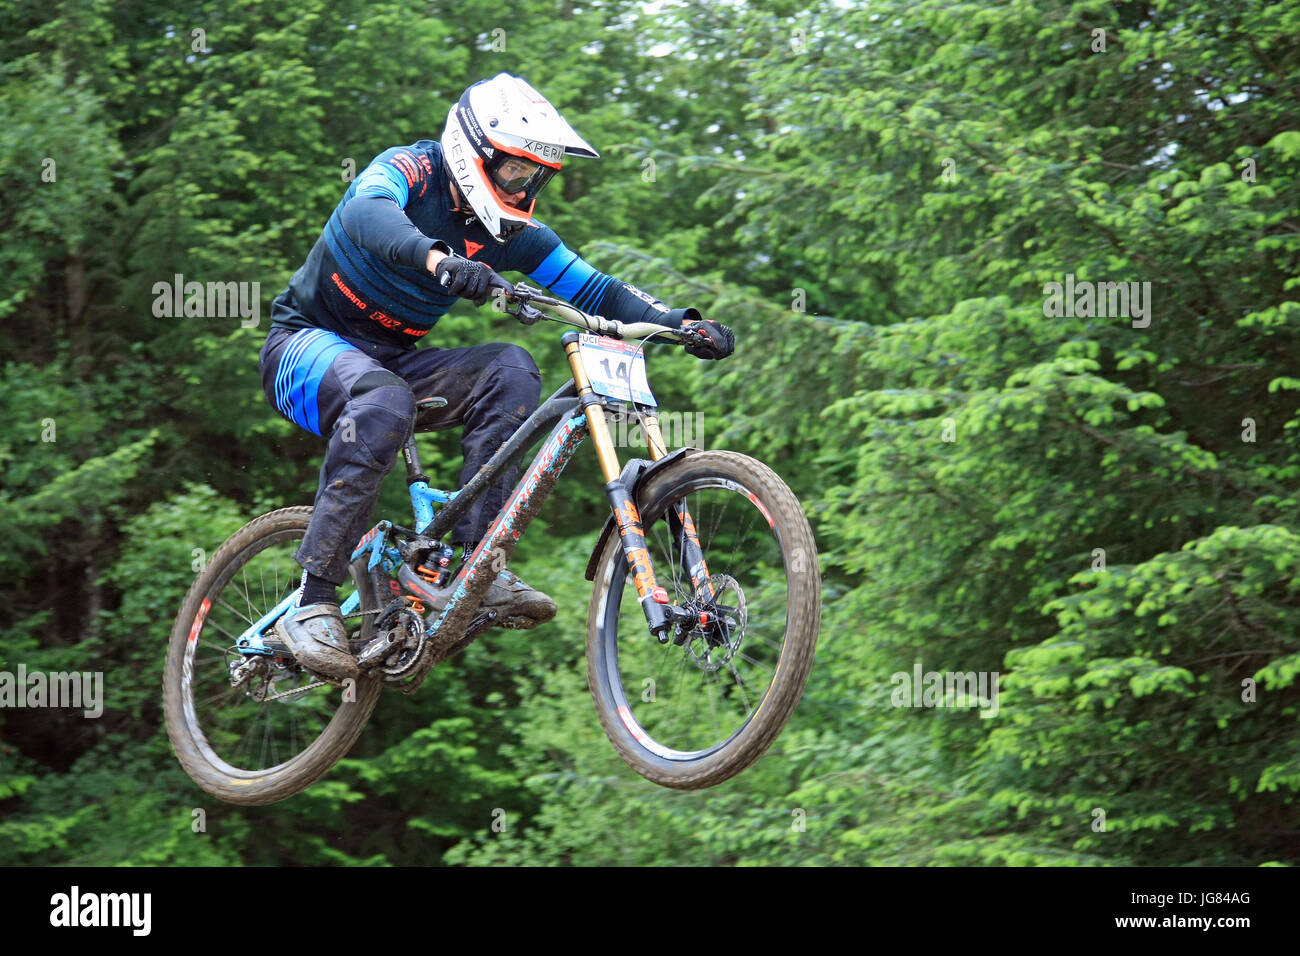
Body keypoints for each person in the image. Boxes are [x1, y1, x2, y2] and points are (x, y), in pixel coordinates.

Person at [257, 73, 735, 680]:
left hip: (392, 363)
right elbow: (364, 212)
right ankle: (313, 599)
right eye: (515, 171)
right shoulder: (411, 171)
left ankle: (474, 567)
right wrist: (439, 259)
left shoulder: (511, 235)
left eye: (536, 177)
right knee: (383, 401)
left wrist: (679, 323)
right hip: (301, 348)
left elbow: (596, 289)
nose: (525, 186)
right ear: (472, 150)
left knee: (511, 369)